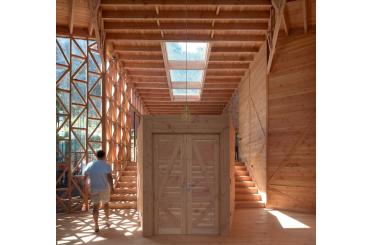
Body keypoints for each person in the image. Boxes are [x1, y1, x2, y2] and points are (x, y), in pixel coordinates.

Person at [83, 150, 114, 233]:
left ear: (96, 156)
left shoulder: (90, 165)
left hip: (94, 189)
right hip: (104, 188)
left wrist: (86, 187)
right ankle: (107, 220)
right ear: (104, 156)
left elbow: (85, 177)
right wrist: (112, 187)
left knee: (95, 207)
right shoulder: (106, 165)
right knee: (106, 204)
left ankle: (96, 225)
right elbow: (109, 178)